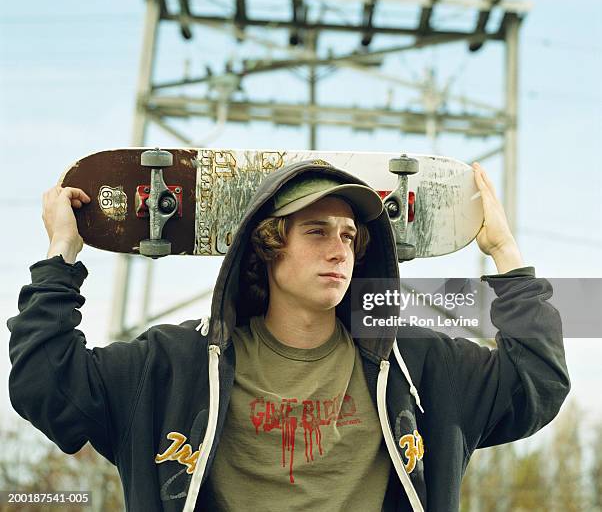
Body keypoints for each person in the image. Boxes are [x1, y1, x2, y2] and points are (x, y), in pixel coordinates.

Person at [7, 159, 570, 511]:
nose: (339, 249)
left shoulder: (416, 366)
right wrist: (60, 259)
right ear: (270, 244)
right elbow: (46, 386)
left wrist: (505, 255)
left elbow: (536, 382)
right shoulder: (172, 365)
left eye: (350, 236)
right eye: (317, 231)